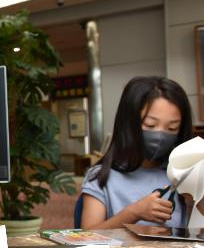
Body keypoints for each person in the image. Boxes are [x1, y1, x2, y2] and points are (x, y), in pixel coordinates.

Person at [81, 76, 193, 229]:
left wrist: (195, 199)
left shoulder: (185, 175)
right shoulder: (102, 177)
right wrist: (133, 213)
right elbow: (86, 236)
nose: (160, 136)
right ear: (128, 124)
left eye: (172, 128)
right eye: (150, 125)